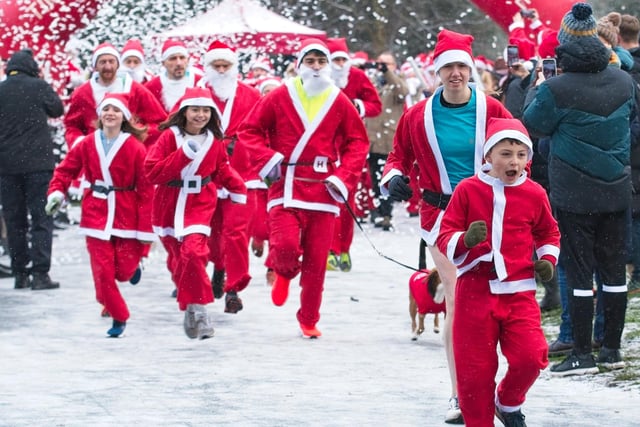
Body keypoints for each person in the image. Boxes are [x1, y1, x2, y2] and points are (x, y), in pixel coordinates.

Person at [380, 29, 512, 424]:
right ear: (436, 72)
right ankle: (462, 394)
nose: (455, 73)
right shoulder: (417, 115)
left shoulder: (494, 111)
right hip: (440, 217)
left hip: (491, 215)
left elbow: (519, 154)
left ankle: (498, 384)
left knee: (495, 301)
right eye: (448, 67)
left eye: (461, 66)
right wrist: (391, 179)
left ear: (471, 70)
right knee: (460, 298)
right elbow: (396, 158)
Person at [523, 2, 639, 375]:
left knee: (578, 274)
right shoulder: (624, 81)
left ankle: (582, 354)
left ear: (564, 46)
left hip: (574, 194)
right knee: (613, 274)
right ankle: (611, 350)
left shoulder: (557, 88)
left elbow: (533, 125)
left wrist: (536, 88)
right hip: (617, 189)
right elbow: (631, 117)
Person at [235, 38, 369, 338]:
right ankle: (283, 270)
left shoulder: (339, 99)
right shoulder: (281, 95)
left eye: (322, 62)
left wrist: (344, 177)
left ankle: (308, 318)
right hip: (285, 185)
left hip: (324, 189)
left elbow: (357, 143)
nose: (318, 67)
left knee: (317, 263)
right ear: (299, 65)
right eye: (311, 61)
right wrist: (268, 159)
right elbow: (249, 130)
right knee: (283, 246)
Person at [436, 117, 560, 427]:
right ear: (488, 156)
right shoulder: (468, 190)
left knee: (531, 357)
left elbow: (548, 232)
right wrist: (465, 240)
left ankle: (507, 403)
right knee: (474, 371)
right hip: (474, 292)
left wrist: (547, 259)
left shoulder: (534, 193)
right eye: (505, 153)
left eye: (520, 154)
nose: (514, 161)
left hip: (519, 291)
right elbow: (445, 233)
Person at [45, 93, 154, 337]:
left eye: (116, 110)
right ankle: (119, 316)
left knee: (123, 271)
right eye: (106, 109)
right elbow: (65, 171)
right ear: (100, 115)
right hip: (95, 214)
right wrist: (56, 193)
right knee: (103, 272)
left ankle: (132, 268)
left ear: (124, 117)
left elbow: (147, 191)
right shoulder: (86, 143)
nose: (110, 114)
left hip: (126, 214)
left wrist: (146, 231)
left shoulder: (136, 148)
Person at [144, 87, 247, 340]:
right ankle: (189, 303)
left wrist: (237, 188)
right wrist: (183, 156)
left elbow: (222, 168)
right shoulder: (169, 137)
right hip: (168, 204)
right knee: (179, 262)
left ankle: (199, 310)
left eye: (205, 110)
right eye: (195, 110)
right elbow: (153, 172)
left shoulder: (215, 141)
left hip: (200, 203)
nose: (200, 115)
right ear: (184, 111)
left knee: (195, 252)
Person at [199, 40, 261, 311]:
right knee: (212, 234)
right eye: (217, 65)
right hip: (208, 173)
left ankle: (233, 289)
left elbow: (265, 128)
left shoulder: (251, 95)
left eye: (226, 65)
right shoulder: (197, 96)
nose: (222, 70)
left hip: (242, 171)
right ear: (208, 67)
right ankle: (219, 267)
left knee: (236, 232)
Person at [0, 48, 64, 290]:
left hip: (6, 166)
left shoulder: (1, 90)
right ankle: (40, 274)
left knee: (14, 220)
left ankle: (20, 273)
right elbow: (57, 109)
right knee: (41, 218)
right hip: (38, 165)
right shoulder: (38, 87)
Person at [325, 37, 382, 272]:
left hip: (351, 146)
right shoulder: (320, 80)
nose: (339, 65)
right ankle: (328, 249)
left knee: (345, 200)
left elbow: (375, 105)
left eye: (342, 60)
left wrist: (358, 106)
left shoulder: (357, 78)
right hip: (324, 145)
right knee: (326, 200)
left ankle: (343, 248)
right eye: (334, 60)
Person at [64, 42, 167, 149]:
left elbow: (159, 123)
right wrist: (79, 142)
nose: (108, 66)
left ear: (118, 64)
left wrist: (134, 132)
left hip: (129, 152)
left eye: (111, 61)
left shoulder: (135, 89)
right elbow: (72, 125)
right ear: (95, 66)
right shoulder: (82, 93)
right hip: (93, 153)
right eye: (103, 62)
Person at [366, 51, 409, 231]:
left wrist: (387, 72)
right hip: (373, 140)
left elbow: (402, 92)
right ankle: (378, 209)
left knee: (387, 178)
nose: (382, 67)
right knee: (374, 179)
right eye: (380, 63)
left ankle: (386, 213)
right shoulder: (374, 83)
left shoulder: (397, 82)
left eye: (387, 64)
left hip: (388, 140)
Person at [144, 39, 202, 113]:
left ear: (187, 60)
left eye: (182, 57)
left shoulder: (200, 83)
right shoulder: (151, 87)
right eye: (173, 58)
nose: (178, 63)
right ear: (163, 63)